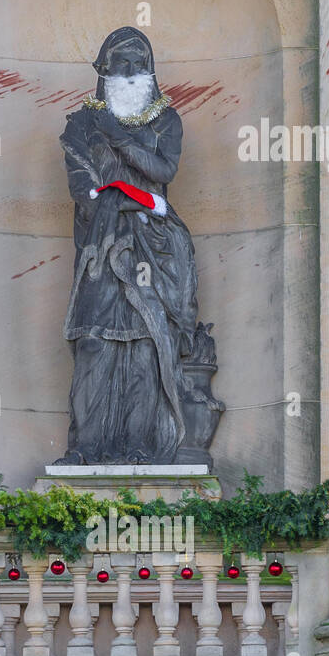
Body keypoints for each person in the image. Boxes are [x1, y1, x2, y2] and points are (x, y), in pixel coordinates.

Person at [55, 26, 200, 465]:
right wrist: (98, 198)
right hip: (102, 242)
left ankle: (142, 445)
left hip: (153, 242)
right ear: (104, 71)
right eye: (122, 64)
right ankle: (86, 447)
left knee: (145, 342)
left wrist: (118, 137)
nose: (132, 72)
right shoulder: (81, 123)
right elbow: (81, 182)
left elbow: (163, 170)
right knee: (94, 340)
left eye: (140, 64)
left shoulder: (166, 120)